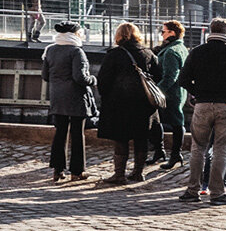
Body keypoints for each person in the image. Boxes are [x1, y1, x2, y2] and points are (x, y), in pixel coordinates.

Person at [176, 18, 226, 205]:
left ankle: (192, 190)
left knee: (198, 149)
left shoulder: (197, 52)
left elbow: (183, 80)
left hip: (202, 105)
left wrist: (198, 93)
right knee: (221, 150)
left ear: (210, 31)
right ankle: (218, 193)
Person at [96, 22, 160, 184]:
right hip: (144, 104)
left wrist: (107, 97)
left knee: (121, 138)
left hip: (119, 104)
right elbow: (158, 76)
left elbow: (103, 80)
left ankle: (119, 175)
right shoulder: (148, 53)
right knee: (141, 138)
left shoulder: (115, 54)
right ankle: (138, 173)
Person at [41, 21, 94, 181]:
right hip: (76, 98)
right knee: (77, 134)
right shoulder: (76, 51)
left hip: (57, 98)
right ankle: (77, 171)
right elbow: (80, 78)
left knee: (60, 133)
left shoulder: (50, 50)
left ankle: (58, 170)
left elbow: (45, 76)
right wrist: (93, 80)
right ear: (75, 34)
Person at [151, 20, 191, 170]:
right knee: (169, 121)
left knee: (174, 122)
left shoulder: (171, 52)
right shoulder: (180, 47)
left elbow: (170, 77)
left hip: (170, 94)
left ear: (172, 33)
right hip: (178, 92)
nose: (161, 34)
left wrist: (156, 92)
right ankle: (164, 153)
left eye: (163, 31)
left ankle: (174, 155)